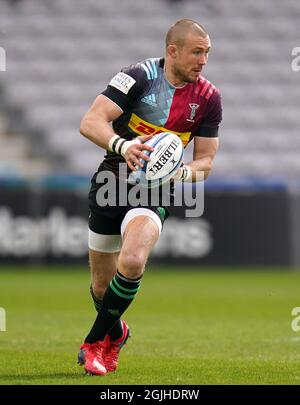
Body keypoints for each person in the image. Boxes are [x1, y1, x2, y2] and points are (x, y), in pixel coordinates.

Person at [78, 19, 222, 376]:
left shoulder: (208, 98)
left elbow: (206, 161)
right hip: (112, 181)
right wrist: (123, 145)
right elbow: (91, 121)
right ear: (172, 51)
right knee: (100, 286)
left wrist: (182, 172)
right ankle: (117, 332)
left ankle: (94, 344)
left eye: (207, 53)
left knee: (132, 261)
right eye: (197, 52)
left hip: (156, 190)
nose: (203, 61)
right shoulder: (136, 77)